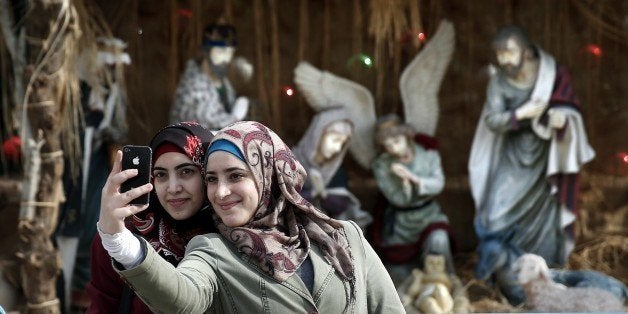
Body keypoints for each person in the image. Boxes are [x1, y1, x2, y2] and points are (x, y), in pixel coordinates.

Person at [96, 120, 404, 313]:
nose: (220, 192)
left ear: (269, 175)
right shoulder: (212, 250)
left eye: (235, 176)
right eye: (212, 179)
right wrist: (119, 239)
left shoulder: (346, 237)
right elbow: (181, 299)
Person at [468, 25, 595, 270]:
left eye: (509, 53)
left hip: (547, 160)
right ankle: (497, 272)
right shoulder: (499, 82)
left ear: (526, 52)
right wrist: (519, 114)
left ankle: (544, 274)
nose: (504, 60)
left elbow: (570, 109)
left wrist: (562, 118)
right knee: (495, 216)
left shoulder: (553, 74)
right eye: (500, 55)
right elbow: (492, 120)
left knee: (546, 222)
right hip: (513, 155)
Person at [85, 121, 215, 313]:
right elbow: (102, 306)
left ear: (207, 173)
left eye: (186, 171)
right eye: (161, 174)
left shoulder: (232, 238)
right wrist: (117, 242)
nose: (173, 188)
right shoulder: (121, 238)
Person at [370, 114, 455, 283]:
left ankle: (449, 283)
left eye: (397, 142)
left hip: (429, 217)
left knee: (439, 240)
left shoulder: (428, 154)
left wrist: (414, 178)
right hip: (401, 226)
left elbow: (438, 184)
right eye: (388, 146)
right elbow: (398, 199)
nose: (394, 149)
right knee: (399, 276)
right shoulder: (382, 165)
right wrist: (404, 183)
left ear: (406, 136)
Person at [292, 106, 373, 229]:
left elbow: (341, 205)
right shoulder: (292, 160)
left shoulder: (336, 170)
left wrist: (324, 194)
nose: (338, 148)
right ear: (318, 135)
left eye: (342, 143)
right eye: (335, 140)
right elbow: (285, 198)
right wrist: (312, 193)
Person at [169, 20, 252, 131]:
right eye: (220, 51)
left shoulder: (223, 81)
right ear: (206, 52)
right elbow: (208, 123)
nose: (226, 59)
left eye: (230, 52)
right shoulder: (193, 84)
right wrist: (236, 118)